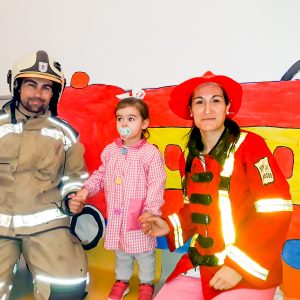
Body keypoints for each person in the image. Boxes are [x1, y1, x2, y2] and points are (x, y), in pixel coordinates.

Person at [141, 71, 293, 300]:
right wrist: (167, 226)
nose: (207, 109)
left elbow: (275, 211)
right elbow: (196, 210)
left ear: (227, 108)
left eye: (216, 101)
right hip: (200, 266)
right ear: (191, 111)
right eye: (199, 102)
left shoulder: (251, 146)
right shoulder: (189, 156)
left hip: (248, 268)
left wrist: (237, 267)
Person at [0, 50, 89, 299]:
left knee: (68, 289)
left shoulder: (66, 133)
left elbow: (76, 175)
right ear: (16, 86)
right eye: (31, 85)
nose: (38, 94)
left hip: (46, 225)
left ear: (54, 94)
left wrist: (73, 196)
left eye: (46, 88)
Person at [69, 91, 166, 300]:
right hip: (117, 216)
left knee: (145, 255)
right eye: (120, 119)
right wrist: (86, 189)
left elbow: (157, 184)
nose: (125, 124)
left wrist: (151, 212)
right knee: (121, 252)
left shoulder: (150, 154)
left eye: (131, 119)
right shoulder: (111, 151)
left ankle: (146, 284)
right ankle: (122, 281)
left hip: (141, 217)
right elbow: (101, 174)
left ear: (144, 123)